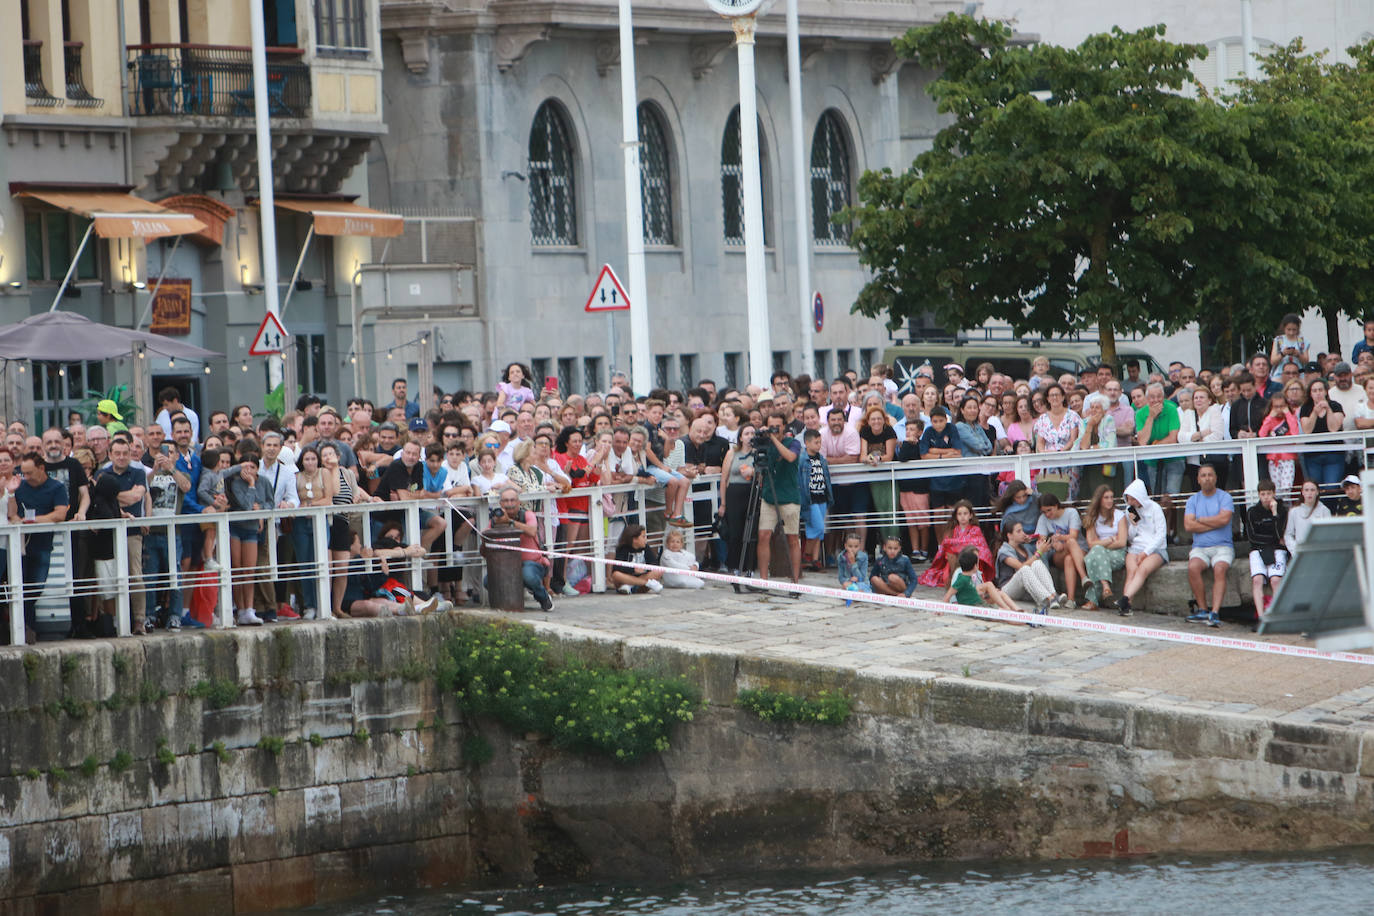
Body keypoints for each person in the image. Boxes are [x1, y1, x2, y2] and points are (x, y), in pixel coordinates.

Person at [9, 453, 69, 644]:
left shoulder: (57, 487)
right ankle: (26, 627)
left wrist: (32, 521)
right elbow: (12, 512)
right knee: (21, 585)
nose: (26, 477)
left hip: (43, 544)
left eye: (29, 473)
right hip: (20, 545)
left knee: (37, 586)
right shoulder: (20, 485)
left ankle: (26, 626)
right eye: (23, 473)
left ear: (41, 469)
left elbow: (60, 514)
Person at [753, 412, 802, 591]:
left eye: (778, 426)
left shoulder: (794, 442)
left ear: (784, 427)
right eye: (771, 426)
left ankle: (795, 582)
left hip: (789, 497)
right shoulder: (765, 444)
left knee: (792, 539)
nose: (774, 429)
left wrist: (773, 439)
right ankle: (764, 580)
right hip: (768, 496)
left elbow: (790, 457)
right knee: (764, 535)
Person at [1183, 463, 1234, 627]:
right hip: (1200, 548)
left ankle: (1215, 612)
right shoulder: (1193, 500)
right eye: (1203, 475)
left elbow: (1224, 519)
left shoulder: (1225, 497)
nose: (1207, 478)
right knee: (1193, 567)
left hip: (1223, 546)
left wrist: (1202, 520)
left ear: (1216, 478)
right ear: (1198, 479)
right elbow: (1189, 526)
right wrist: (1215, 522)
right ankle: (1203, 610)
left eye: (1210, 475)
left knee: (1219, 568)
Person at [489, 485, 556, 609]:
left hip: (532, 563)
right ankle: (509, 603)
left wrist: (510, 522)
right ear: (500, 503)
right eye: (506, 501)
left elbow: (531, 531)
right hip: (506, 564)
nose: (510, 504)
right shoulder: (496, 519)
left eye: (513, 500)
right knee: (488, 580)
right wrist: (496, 526)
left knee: (528, 575)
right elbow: (485, 544)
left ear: (519, 502)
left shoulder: (527, 515)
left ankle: (543, 597)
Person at [1117, 479, 1168, 617]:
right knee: (1132, 570)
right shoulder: (1129, 511)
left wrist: (1146, 553)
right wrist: (1134, 524)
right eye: (1129, 499)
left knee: (1142, 569)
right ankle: (1126, 606)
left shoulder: (1155, 508)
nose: (1131, 502)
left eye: (1133, 499)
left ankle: (1125, 599)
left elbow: (1161, 535)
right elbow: (1131, 537)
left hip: (1156, 549)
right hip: (1136, 547)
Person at [918, 499, 994, 588]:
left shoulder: (976, 529)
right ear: (956, 516)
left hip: (971, 560)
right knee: (949, 553)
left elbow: (980, 546)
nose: (962, 517)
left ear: (970, 515)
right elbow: (946, 545)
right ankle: (955, 577)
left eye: (965, 514)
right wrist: (954, 547)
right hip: (954, 561)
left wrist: (956, 545)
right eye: (959, 514)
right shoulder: (952, 531)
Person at [995, 520, 1057, 617]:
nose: (1023, 533)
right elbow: (1021, 567)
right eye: (1018, 531)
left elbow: (1033, 565)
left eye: (1022, 530)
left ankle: (1053, 595)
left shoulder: (1024, 548)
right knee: (1024, 569)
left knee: (1037, 563)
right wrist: (1039, 552)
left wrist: (1038, 550)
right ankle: (1047, 598)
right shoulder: (1004, 551)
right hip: (1007, 589)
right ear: (1009, 535)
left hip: (1024, 589)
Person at [1081, 485, 1129, 610]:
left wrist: (1101, 544)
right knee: (1095, 554)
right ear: (1099, 500)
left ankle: (1092, 601)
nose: (1109, 500)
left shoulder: (1119, 515)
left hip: (1117, 553)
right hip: (1101, 552)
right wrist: (1108, 540)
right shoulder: (1092, 517)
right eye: (1106, 497)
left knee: (1091, 558)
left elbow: (1122, 542)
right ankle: (1105, 586)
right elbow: (1090, 543)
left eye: (1111, 497)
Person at [1034, 493, 1085, 608]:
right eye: (1044, 512)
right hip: (1058, 553)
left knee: (1069, 556)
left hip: (1079, 549)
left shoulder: (1071, 513)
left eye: (1049, 510)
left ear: (1056, 505)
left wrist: (1061, 538)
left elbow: (1073, 535)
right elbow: (1042, 539)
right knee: (1068, 547)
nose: (1047, 514)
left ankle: (1071, 599)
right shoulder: (1043, 519)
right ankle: (1083, 577)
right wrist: (1053, 543)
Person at [1247, 479, 1288, 616]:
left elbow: (1280, 533)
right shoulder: (1252, 512)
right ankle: (1261, 617)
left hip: (1277, 550)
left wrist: (1274, 513)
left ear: (1274, 494)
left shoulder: (1282, 510)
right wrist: (1273, 539)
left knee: (1275, 580)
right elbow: (1252, 537)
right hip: (1259, 550)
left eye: (1269, 494)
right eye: (1263, 494)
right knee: (1257, 579)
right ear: (1259, 495)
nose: (1266, 497)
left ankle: (1276, 615)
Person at [1298, 379, 1347, 491]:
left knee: (1332, 488)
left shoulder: (1335, 406)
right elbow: (1307, 430)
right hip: (1312, 456)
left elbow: (1334, 428)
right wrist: (1315, 413)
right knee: (1315, 489)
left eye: (1320, 390)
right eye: (1314, 391)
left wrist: (1328, 409)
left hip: (1334, 455)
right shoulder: (1306, 408)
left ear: (1326, 391)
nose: (1318, 393)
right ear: (1310, 394)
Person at [860, 405, 899, 540]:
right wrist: (868, 459)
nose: (876, 421)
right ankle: (885, 543)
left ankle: (894, 540)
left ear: (884, 420)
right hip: (874, 476)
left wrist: (878, 458)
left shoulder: (889, 431)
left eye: (879, 419)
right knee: (880, 510)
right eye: (873, 419)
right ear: (868, 421)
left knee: (891, 509)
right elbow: (862, 456)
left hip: (890, 476)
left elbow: (889, 456)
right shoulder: (865, 431)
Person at [797, 428, 833, 573]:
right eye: (815, 442)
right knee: (816, 527)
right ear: (807, 443)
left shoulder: (821, 459)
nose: (819, 445)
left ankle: (815, 559)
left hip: (822, 496)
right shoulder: (802, 460)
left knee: (819, 531)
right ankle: (806, 556)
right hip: (810, 498)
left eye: (820, 442)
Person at [946, 546, 1021, 612]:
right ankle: (1006, 609)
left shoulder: (978, 573)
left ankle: (1016, 609)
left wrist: (990, 592)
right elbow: (956, 590)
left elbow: (981, 590)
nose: (977, 559)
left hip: (977, 597)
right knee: (989, 585)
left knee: (1000, 593)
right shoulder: (960, 572)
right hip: (966, 600)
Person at [1258, 392, 1300, 495]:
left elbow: (1295, 433)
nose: (1279, 409)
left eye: (1282, 406)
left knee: (1286, 489)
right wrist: (1269, 417)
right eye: (1276, 407)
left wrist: (1288, 414)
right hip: (1273, 459)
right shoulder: (1269, 420)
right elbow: (1261, 435)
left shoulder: (1290, 418)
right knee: (1276, 491)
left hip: (1288, 458)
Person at [611, 523, 663, 594]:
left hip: (640, 579)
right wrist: (633, 569)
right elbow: (617, 567)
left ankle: (630, 586)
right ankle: (647, 583)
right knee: (616, 575)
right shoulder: (622, 548)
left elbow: (654, 563)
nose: (645, 539)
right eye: (643, 537)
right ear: (634, 539)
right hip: (626, 578)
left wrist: (644, 569)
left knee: (658, 571)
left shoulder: (646, 547)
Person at [1285, 479, 1331, 549]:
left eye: (1312, 490)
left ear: (1317, 492)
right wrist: (1295, 549)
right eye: (1306, 490)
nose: (1309, 493)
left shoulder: (1324, 510)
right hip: (1300, 551)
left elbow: (1328, 534)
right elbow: (1288, 535)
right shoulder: (1294, 511)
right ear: (1302, 492)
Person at [836, 531, 872, 603]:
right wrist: (850, 580)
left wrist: (853, 563)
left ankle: (858, 594)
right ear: (845, 546)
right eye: (850, 546)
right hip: (849, 582)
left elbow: (862, 577)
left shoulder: (863, 557)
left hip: (861, 583)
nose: (853, 549)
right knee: (845, 585)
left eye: (856, 547)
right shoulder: (841, 557)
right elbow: (841, 577)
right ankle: (855, 594)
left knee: (860, 589)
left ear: (859, 546)